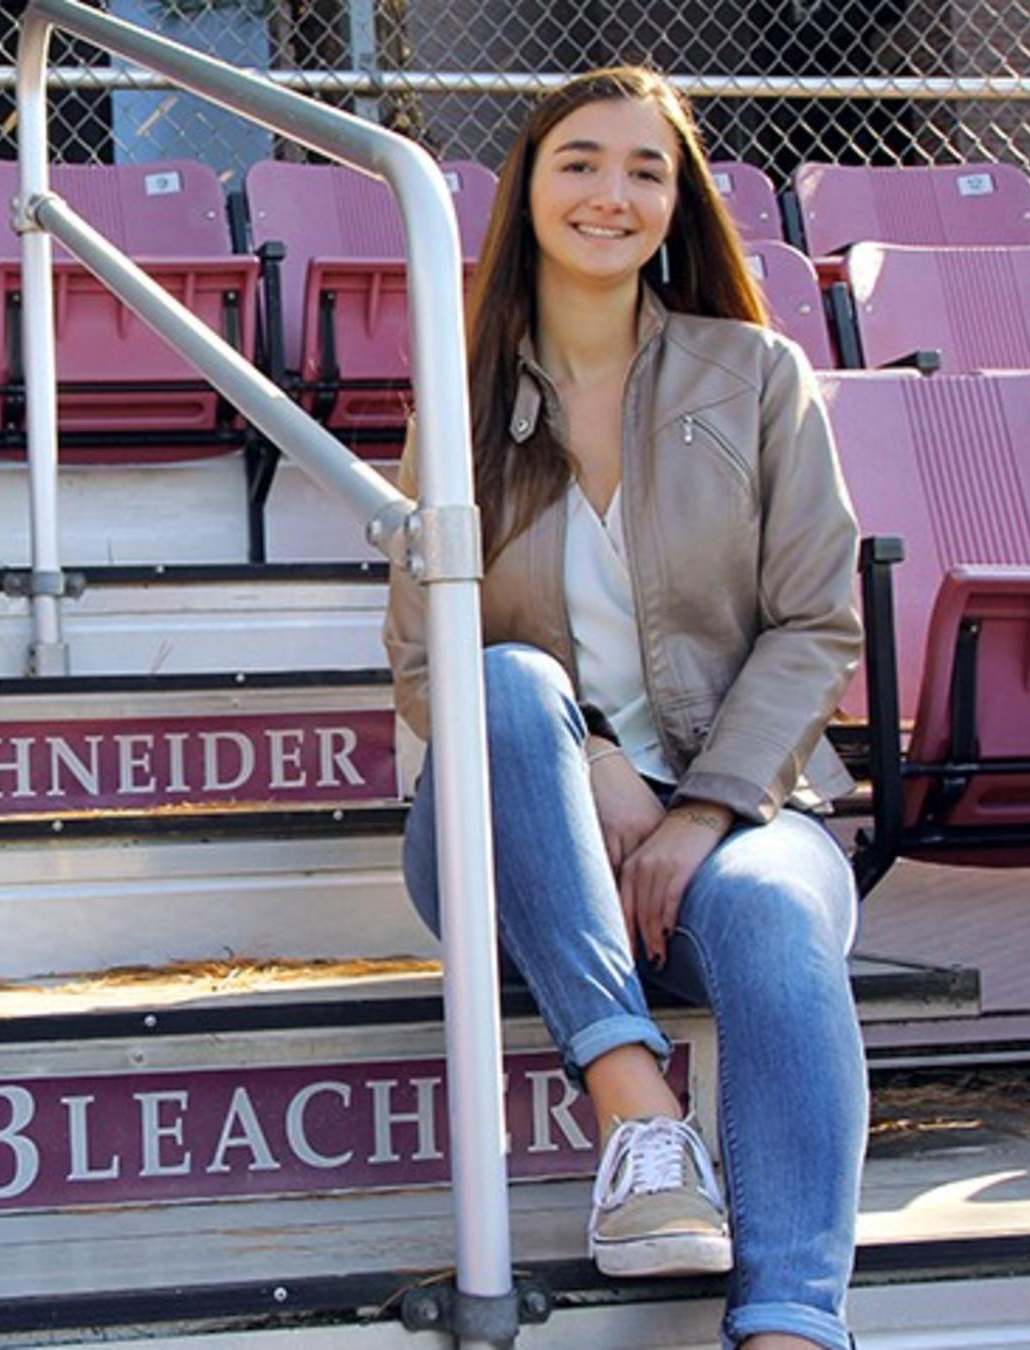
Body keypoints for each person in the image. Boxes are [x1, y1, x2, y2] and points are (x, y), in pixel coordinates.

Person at [385, 67, 866, 1350]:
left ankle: (788, 1321)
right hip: (519, 847)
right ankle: (638, 1111)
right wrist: (592, 761)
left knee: (770, 909)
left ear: (679, 202)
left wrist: (704, 810)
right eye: (581, 163)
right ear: (531, 192)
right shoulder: (465, 405)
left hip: (741, 812)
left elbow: (819, 621)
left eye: (647, 170)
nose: (613, 193)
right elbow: (429, 667)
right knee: (497, 675)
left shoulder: (756, 375)